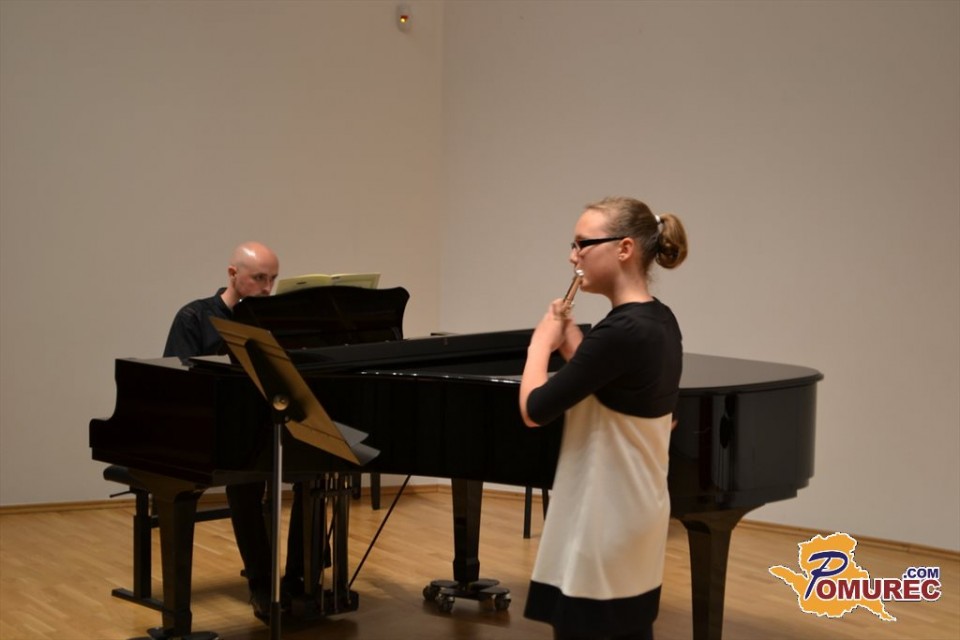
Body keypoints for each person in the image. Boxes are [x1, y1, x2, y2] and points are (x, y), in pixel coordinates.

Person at [520, 197, 688, 640]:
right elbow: (611, 389)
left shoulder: (620, 331)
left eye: (582, 244)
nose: (573, 256)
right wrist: (572, 341)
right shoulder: (658, 321)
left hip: (603, 517)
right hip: (635, 514)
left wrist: (540, 344)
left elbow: (534, 410)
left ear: (624, 248)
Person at [163, 241, 304, 621]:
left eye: (273, 279)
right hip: (213, 429)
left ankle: (299, 577)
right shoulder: (195, 317)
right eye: (259, 278)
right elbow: (178, 382)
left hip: (266, 423)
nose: (267, 288)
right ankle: (262, 584)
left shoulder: (270, 321)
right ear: (232, 274)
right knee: (246, 482)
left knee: (316, 474)